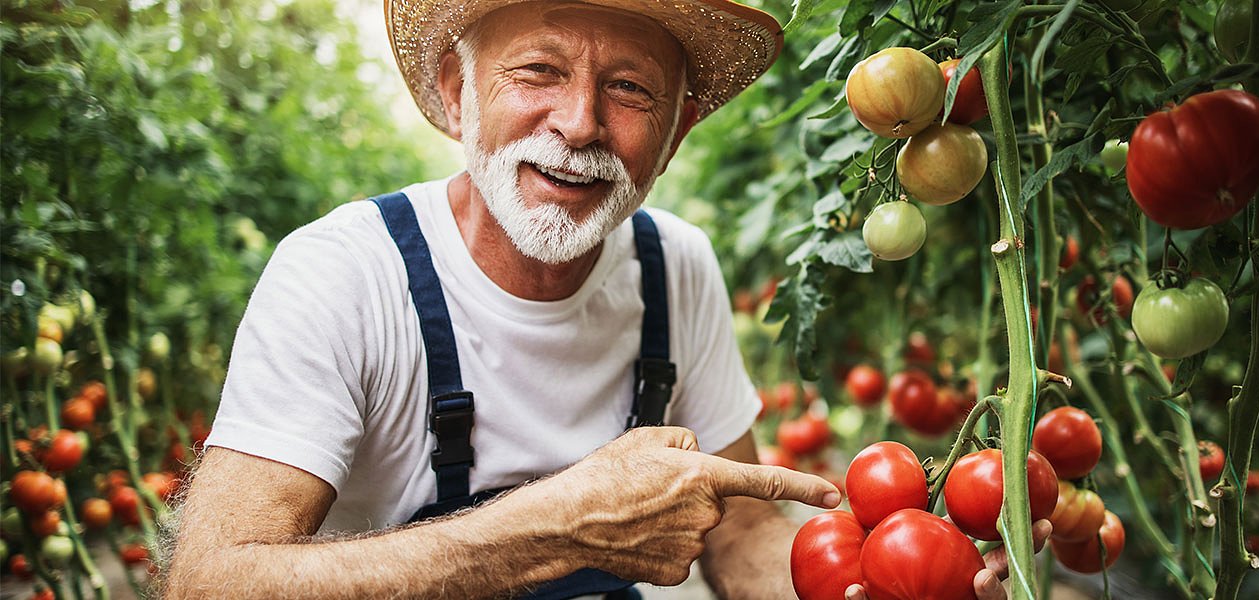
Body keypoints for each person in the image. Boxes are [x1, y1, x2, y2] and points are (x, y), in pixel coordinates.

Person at [162, 1, 1047, 598]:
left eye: (629, 89)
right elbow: (207, 582)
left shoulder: (675, 268)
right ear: (456, 91)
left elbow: (738, 542)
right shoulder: (344, 276)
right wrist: (551, 532)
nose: (580, 122)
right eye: (536, 71)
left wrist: (873, 578)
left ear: (678, 127)